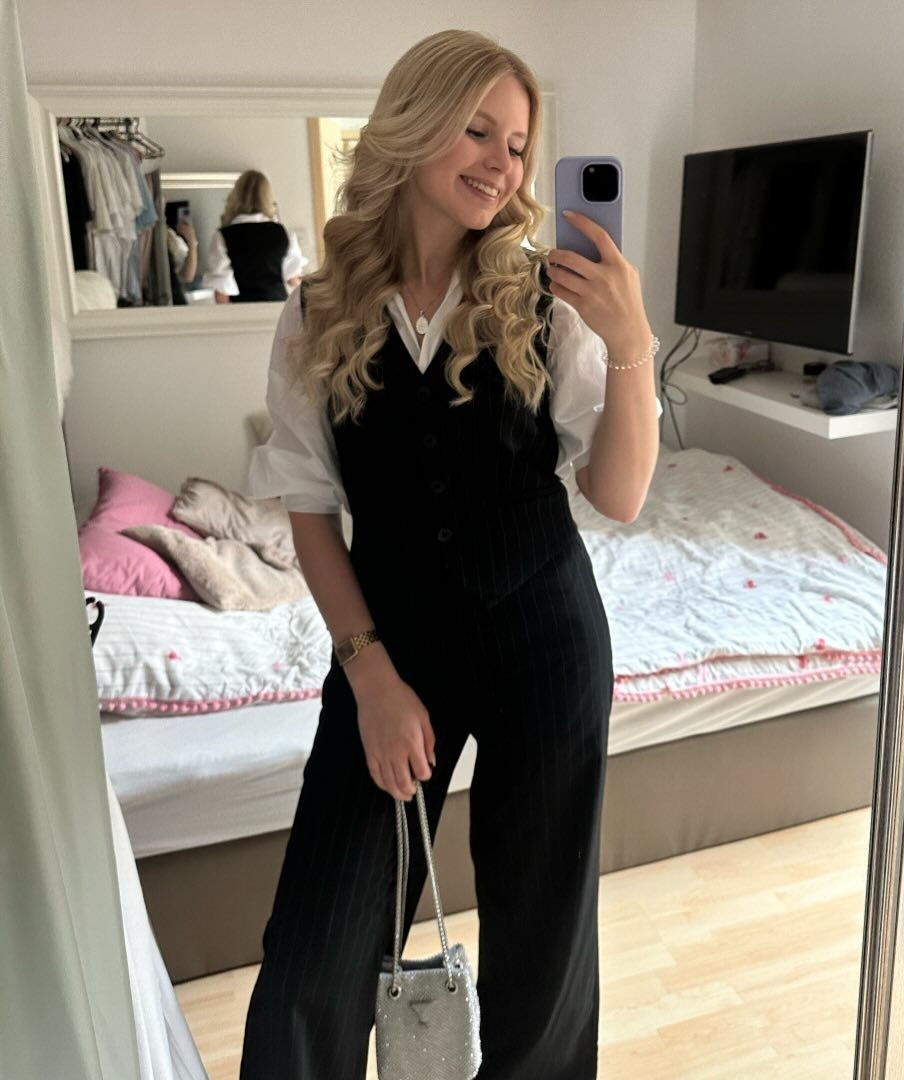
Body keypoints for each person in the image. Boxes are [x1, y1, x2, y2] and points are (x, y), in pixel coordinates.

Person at [240, 28, 659, 1080]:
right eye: (477, 131)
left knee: (542, 957)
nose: (501, 165)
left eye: (517, 145)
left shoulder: (547, 299)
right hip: (392, 646)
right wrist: (370, 676)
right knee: (313, 960)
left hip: (545, 640)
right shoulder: (316, 310)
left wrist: (633, 347)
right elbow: (308, 509)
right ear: (413, 123)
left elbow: (618, 494)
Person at [204, 169, 307, 303]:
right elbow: (293, 280)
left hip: (242, 308)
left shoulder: (223, 236)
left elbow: (221, 292)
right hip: (278, 306)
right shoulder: (283, 232)